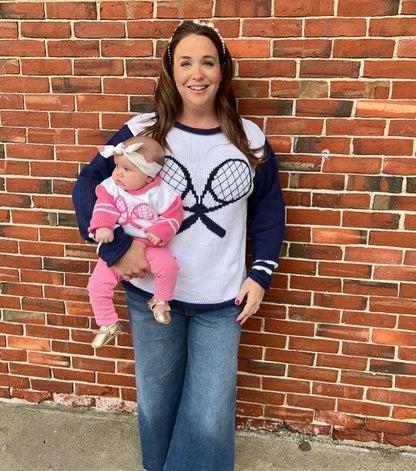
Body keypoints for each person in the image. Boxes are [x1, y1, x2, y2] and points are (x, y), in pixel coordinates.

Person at [72, 19, 285, 471]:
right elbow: (90, 185)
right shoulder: (141, 131)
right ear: (170, 70)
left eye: (208, 62)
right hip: (151, 298)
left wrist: (261, 274)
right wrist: (116, 251)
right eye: (185, 62)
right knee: (157, 405)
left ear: (222, 70)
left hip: (221, 302)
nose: (197, 73)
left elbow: (269, 211)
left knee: (208, 416)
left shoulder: (250, 138)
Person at [87, 135, 183, 348]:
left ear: (149, 177)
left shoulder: (160, 194)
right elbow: (104, 206)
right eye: (118, 166)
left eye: (128, 170)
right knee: (96, 285)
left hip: (149, 243)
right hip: (118, 247)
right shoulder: (111, 187)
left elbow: (173, 216)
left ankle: (160, 301)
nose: (118, 173)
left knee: (169, 267)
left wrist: (160, 231)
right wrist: (102, 226)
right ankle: (107, 323)